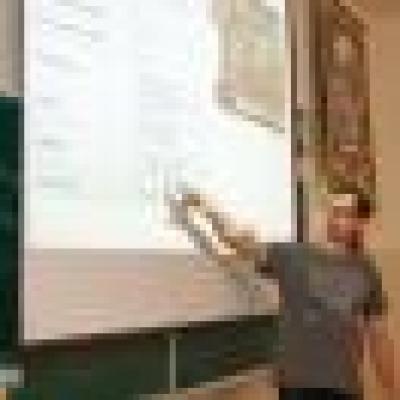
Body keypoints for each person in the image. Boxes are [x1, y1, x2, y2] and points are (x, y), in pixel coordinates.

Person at [167, 186, 396, 400]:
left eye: (344, 213)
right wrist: (206, 207)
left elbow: (379, 338)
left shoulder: (366, 271)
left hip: (344, 387)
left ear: (360, 222)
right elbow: (238, 241)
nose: (334, 219)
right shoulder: (294, 255)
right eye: (332, 211)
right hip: (297, 385)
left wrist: (393, 391)